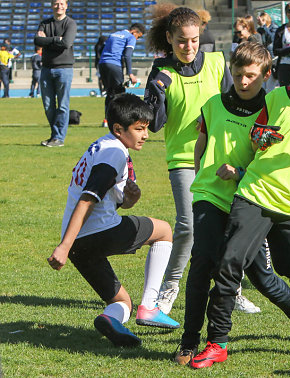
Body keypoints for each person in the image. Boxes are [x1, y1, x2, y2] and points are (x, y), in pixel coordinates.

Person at [190, 37, 290, 369]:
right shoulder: (278, 97)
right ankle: (217, 342)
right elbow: (257, 137)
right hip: (254, 193)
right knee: (229, 264)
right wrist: (261, 139)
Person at [174, 41, 290, 366]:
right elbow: (202, 141)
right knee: (200, 268)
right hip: (210, 198)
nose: (243, 81)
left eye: (251, 75)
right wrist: (201, 178)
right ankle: (189, 342)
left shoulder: (273, 112)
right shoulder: (213, 104)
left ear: (265, 75)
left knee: (263, 278)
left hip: (251, 202)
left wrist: (238, 172)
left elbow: (272, 162)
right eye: (238, 74)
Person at [144, 4, 259, 317]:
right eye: (181, 41)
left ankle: (231, 288)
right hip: (182, 160)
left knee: (228, 227)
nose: (188, 47)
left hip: (220, 159)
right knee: (188, 227)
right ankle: (167, 293)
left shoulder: (217, 62)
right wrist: (157, 93)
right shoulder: (161, 71)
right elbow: (153, 125)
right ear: (169, 38)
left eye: (194, 40)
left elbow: (232, 104)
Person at [46, 93, 179, 348]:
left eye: (146, 128)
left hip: (78, 245)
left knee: (121, 303)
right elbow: (88, 197)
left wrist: (130, 198)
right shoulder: (114, 153)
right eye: (139, 129)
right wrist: (62, 246)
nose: (146, 135)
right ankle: (150, 308)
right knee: (163, 231)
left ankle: (110, 319)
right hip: (96, 233)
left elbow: (113, 198)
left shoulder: (102, 145)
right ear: (119, 129)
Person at [34, 0, 77, 148]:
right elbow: (37, 40)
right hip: (46, 69)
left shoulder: (70, 23)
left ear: (66, 5)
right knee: (48, 105)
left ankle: (59, 138)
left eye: (61, 3)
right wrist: (55, 39)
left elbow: (66, 43)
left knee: (63, 105)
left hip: (64, 69)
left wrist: (47, 41)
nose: (59, 6)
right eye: (56, 3)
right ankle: (54, 136)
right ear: (52, 5)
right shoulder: (45, 23)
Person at [99, 23, 146, 121]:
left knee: (110, 93)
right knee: (120, 93)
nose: (137, 39)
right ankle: (118, 119)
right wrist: (130, 74)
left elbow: (100, 49)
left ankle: (106, 119)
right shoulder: (130, 37)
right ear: (134, 32)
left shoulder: (113, 34)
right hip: (114, 64)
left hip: (102, 64)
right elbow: (127, 55)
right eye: (138, 36)